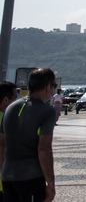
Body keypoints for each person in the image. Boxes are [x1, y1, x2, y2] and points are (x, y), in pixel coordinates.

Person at [1, 70, 57, 201]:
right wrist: (51, 184)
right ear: (48, 86)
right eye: (54, 86)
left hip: (7, 177)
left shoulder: (10, 107)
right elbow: (44, 149)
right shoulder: (47, 111)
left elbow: (2, 143)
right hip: (31, 177)